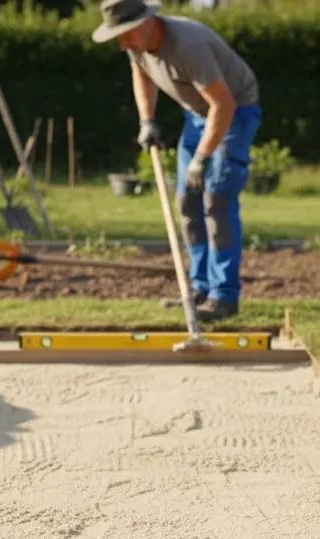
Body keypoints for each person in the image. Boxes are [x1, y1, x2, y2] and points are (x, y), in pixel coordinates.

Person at [92, 0, 262, 322]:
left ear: (145, 24)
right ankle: (197, 288)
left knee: (217, 200)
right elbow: (141, 74)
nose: (121, 44)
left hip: (234, 113)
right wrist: (147, 121)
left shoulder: (188, 46)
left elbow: (223, 105)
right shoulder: (136, 44)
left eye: (124, 35)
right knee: (187, 201)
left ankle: (223, 297)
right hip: (199, 115)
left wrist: (202, 158)